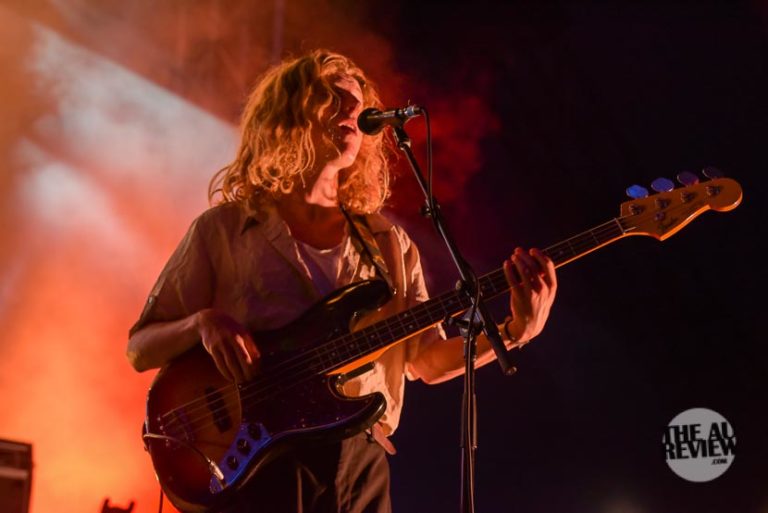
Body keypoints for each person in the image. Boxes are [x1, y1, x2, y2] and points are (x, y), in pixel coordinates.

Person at [126, 49, 557, 513]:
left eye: (357, 102)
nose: (352, 109)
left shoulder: (389, 244)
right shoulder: (224, 230)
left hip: (359, 462)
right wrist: (202, 324)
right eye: (333, 97)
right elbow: (141, 347)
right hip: (260, 461)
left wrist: (515, 331)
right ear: (288, 113)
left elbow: (427, 361)